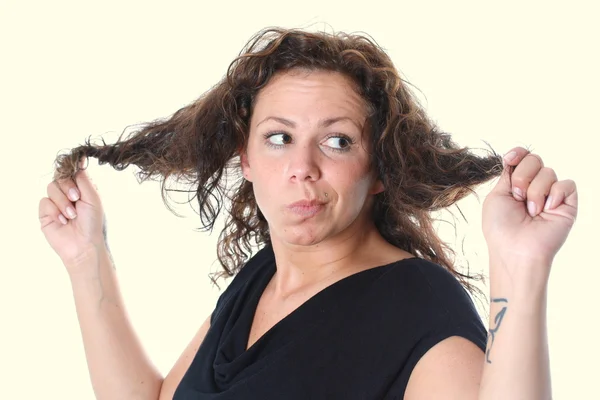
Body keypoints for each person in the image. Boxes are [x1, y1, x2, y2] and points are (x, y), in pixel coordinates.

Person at [39, 27, 578, 399]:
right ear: (246, 159)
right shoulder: (261, 279)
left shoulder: (414, 305)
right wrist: (87, 260)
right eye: (279, 138)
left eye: (338, 141)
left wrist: (519, 267)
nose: (303, 167)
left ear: (381, 169)